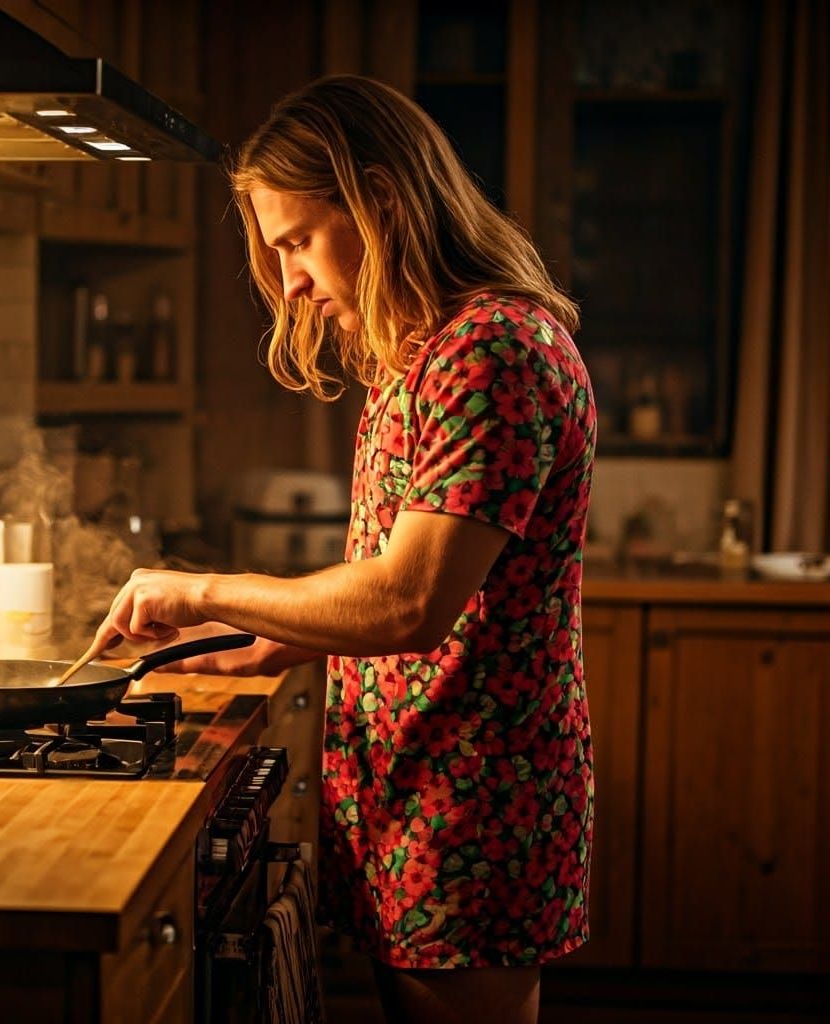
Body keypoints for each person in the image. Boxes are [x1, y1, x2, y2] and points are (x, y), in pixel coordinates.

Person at [89, 75, 595, 1024]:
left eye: (298, 241)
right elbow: (409, 580)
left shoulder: (492, 351)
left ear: (383, 204)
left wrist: (204, 590)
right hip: (415, 792)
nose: (290, 283)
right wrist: (294, 636)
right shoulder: (425, 353)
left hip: (475, 805)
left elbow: (409, 603)